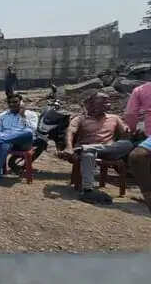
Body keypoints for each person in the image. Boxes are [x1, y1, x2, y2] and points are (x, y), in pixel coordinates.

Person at [61, 92, 133, 204]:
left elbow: (125, 132)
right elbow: (70, 131)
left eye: (108, 101)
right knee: (88, 154)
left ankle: (85, 148)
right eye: (103, 101)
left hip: (109, 150)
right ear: (92, 104)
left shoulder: (114, 118)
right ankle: (88, 190)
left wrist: (128, 132)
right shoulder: (80, 118)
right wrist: (69, 147)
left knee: (127, 144)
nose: (107, 104)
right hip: (88, 152)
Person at [0, 94, 38, 186]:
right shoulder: (2, 116)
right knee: (4, 145)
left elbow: (33, 129)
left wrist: (23, 116)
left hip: (24, 143)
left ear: (21, 102)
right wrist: (3, 137)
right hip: (8, 141)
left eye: (15, 102)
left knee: (27, 132)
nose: (12, 104)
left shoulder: (31, 115)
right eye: (10, 102)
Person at [125, 82, 151, 212]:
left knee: (137, 157)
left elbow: (130, 115)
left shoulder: (141, 90)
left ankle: (148, 196)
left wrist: (133, 129)